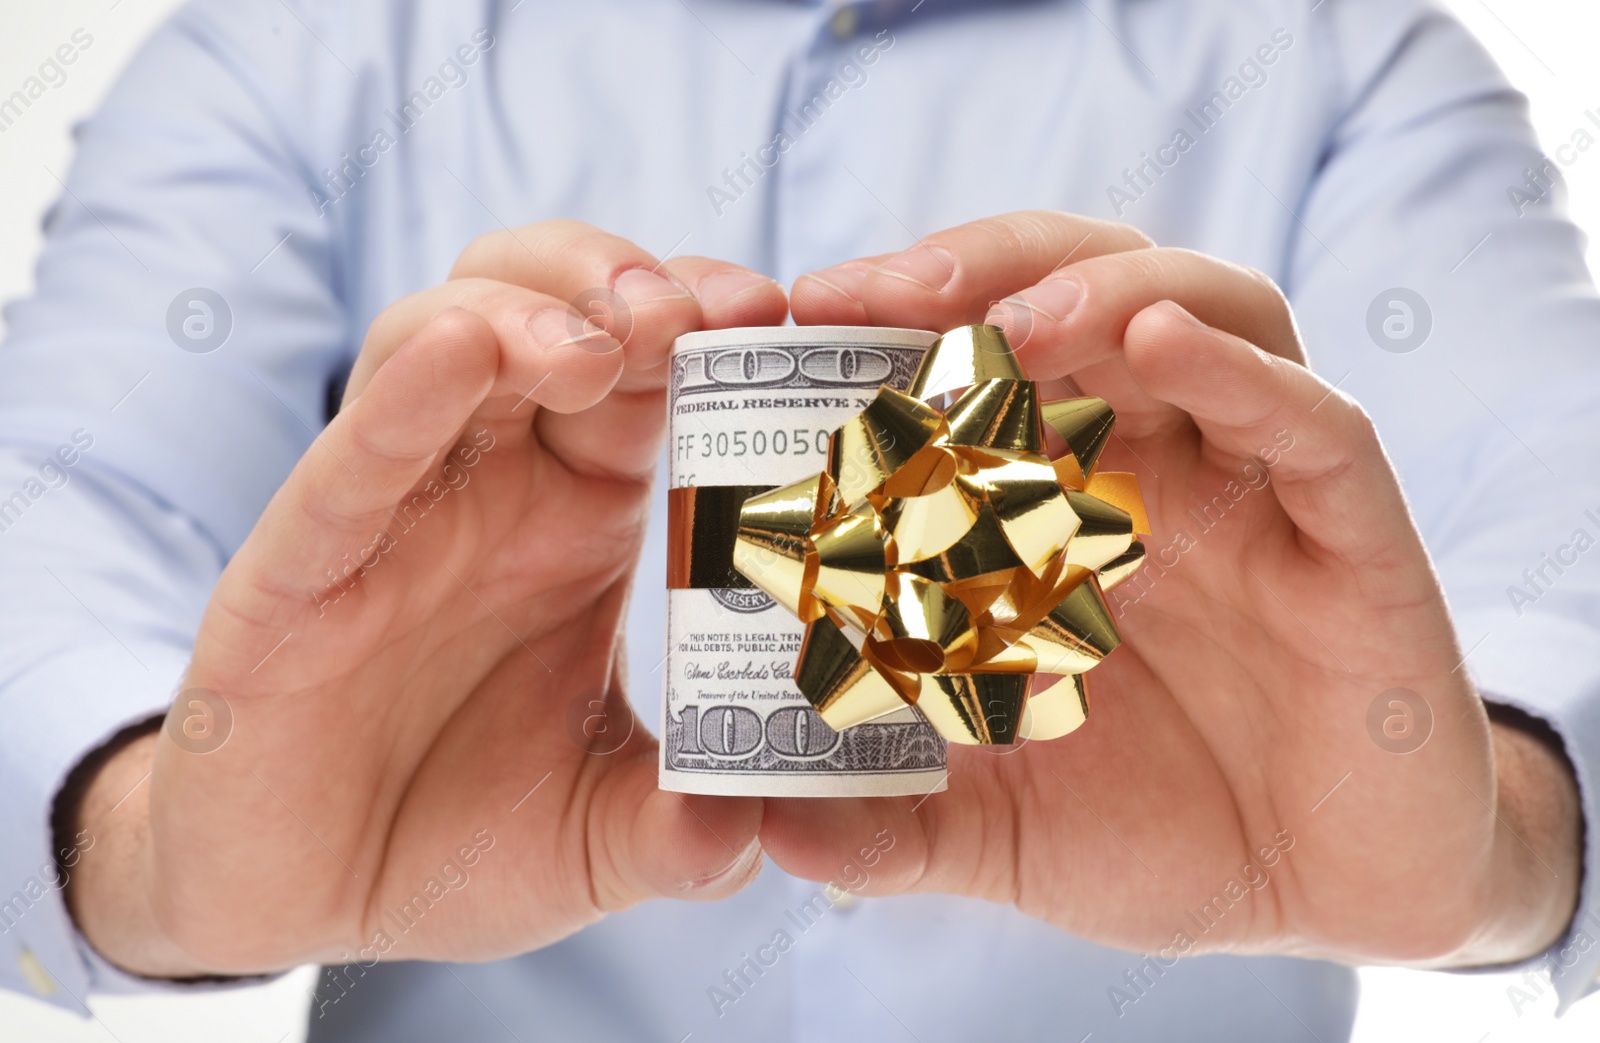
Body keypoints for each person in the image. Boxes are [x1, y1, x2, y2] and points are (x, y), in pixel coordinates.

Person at [2, 0, 1597, 1039]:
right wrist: (143, 833)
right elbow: (58, 504)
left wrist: (1503, 836)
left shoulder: (1339, 58)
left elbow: (1561, 510)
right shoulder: (296, 51)